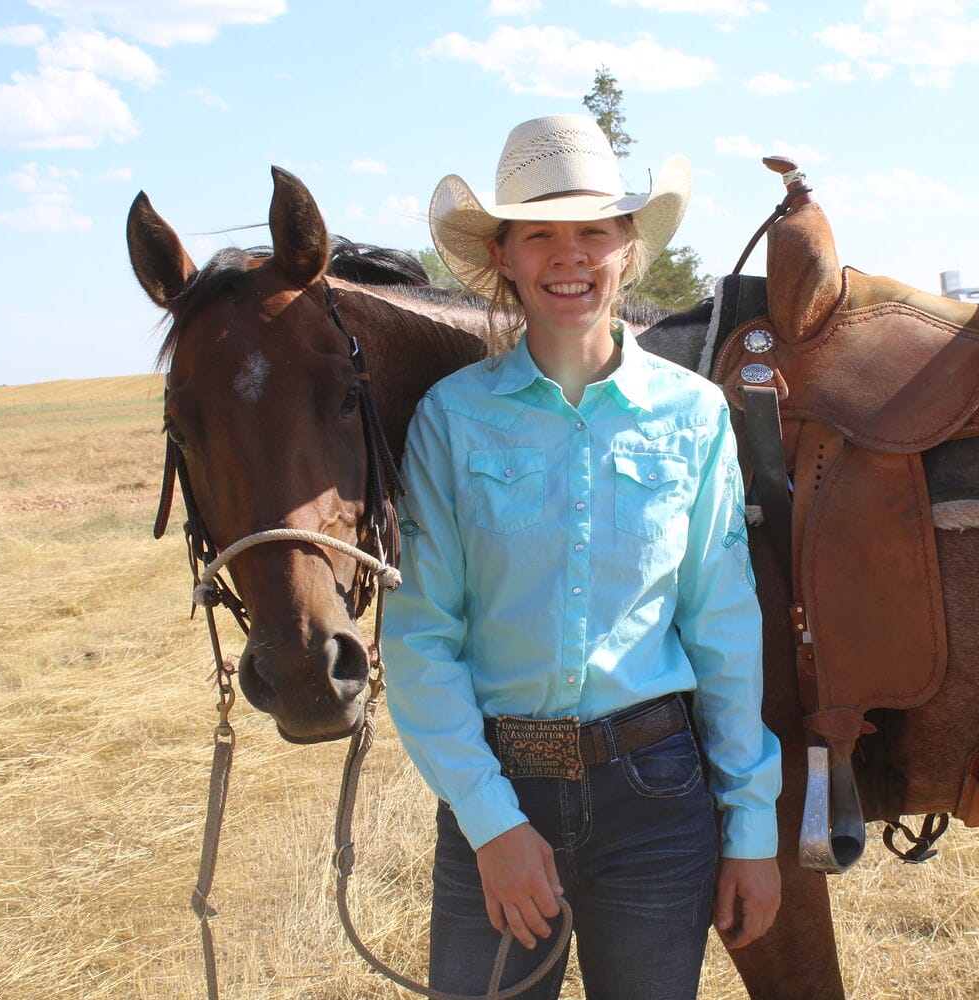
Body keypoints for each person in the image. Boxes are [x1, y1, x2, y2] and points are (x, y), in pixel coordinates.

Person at [382, 113, 782, 1000]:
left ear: (628, 248)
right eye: (541, 235)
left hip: (656, 799)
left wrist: (751, 829)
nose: (570, 256)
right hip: (502, 784)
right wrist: (490, 825)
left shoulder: (693, 414)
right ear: (507, 258)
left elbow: (722, 625)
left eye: (593, 230)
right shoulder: (452, 420)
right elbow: (418, 637)